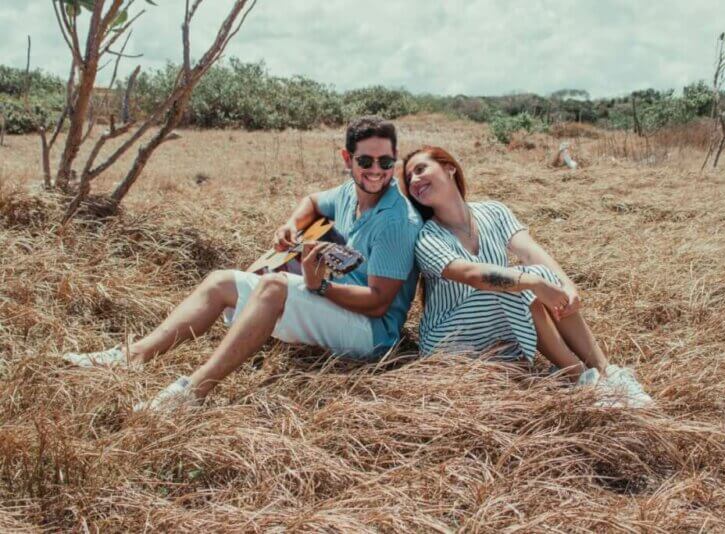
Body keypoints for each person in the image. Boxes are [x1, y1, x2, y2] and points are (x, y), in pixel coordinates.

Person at [64, 116, 422, 411]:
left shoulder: (396, 221)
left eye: (386, 162)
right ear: (347, 159)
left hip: (371, 334)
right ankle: (133, 355)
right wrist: (291, 225)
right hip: (334, 300)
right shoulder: (349, 192)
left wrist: (321, 287)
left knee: (273, 287)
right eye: (365, 161)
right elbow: (312, 201)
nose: (376, 170)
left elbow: (378, 304)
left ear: (395, 161)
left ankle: (191, 394)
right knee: (221, 281)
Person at [401, 146, 652, 407]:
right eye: (409, 180)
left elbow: (531, 252)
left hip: (496, 325)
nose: (415, 181)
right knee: (519, 281)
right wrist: (533, 282)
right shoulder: (427, 237)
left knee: (538, 273)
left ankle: (607, 371)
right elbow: (473, 275)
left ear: (449, 167)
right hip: (449, 340)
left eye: (420, 169)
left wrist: (565, 285)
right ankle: (583, 380)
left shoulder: (493, 211)